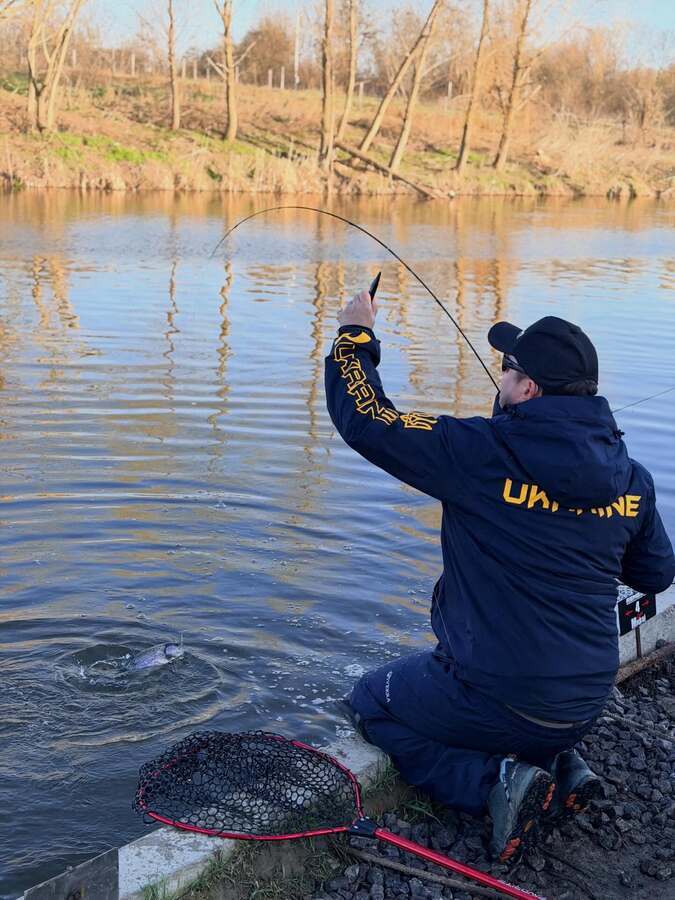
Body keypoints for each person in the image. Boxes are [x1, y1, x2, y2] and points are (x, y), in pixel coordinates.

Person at [325, 289, 675, 864]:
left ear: (528, 389)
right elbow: (656, 573)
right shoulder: (631, 478)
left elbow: (368, 421)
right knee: (515, 694)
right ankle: (557, 762)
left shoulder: (478, 452)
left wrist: (355, 335)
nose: (501, 378)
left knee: (370, 701)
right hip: (587, 700)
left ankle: (492, 783)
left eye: (507, 369)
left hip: (500, 699)